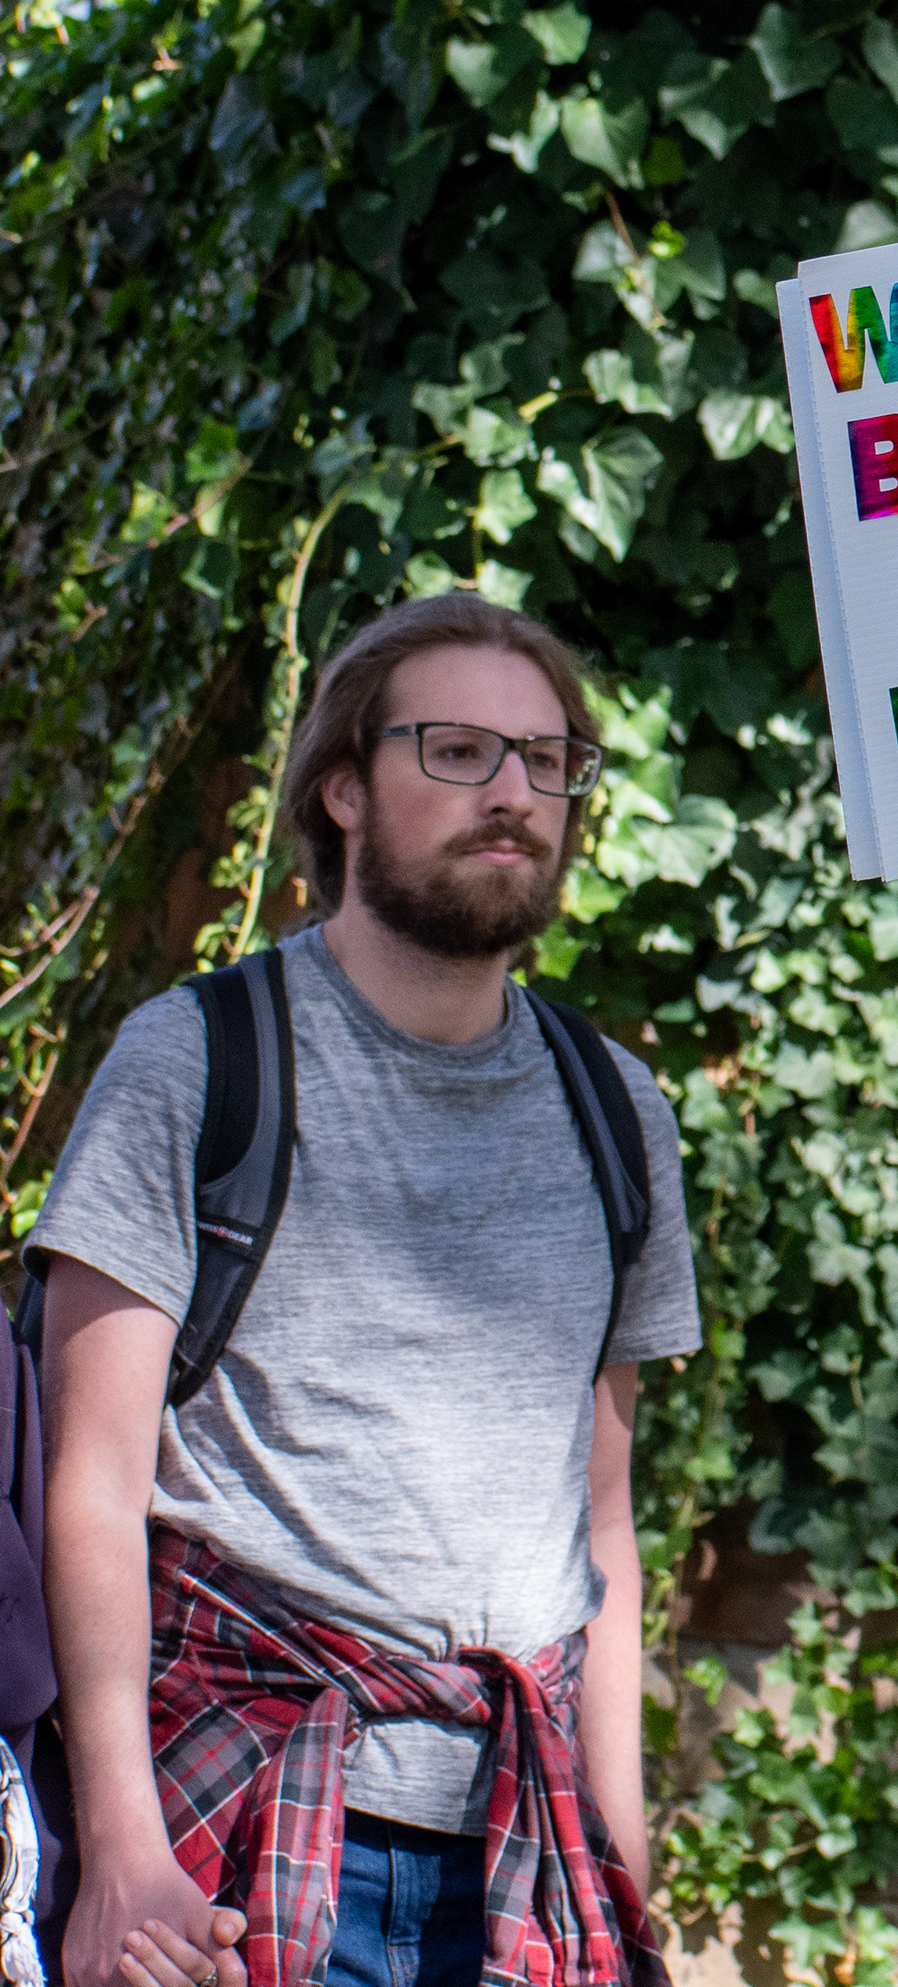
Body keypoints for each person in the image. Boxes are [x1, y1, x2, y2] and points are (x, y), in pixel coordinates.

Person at [31, 592, 698, 1987]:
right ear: (341, 787)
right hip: (239, 1828)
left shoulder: (618, 1111)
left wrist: (623, 1871)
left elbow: (605, 1532)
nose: (514, 793)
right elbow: (86, 1490)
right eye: (457, 751)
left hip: (522, 1853)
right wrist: (120, 1849)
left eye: (548, 759)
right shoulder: (199, 1066)